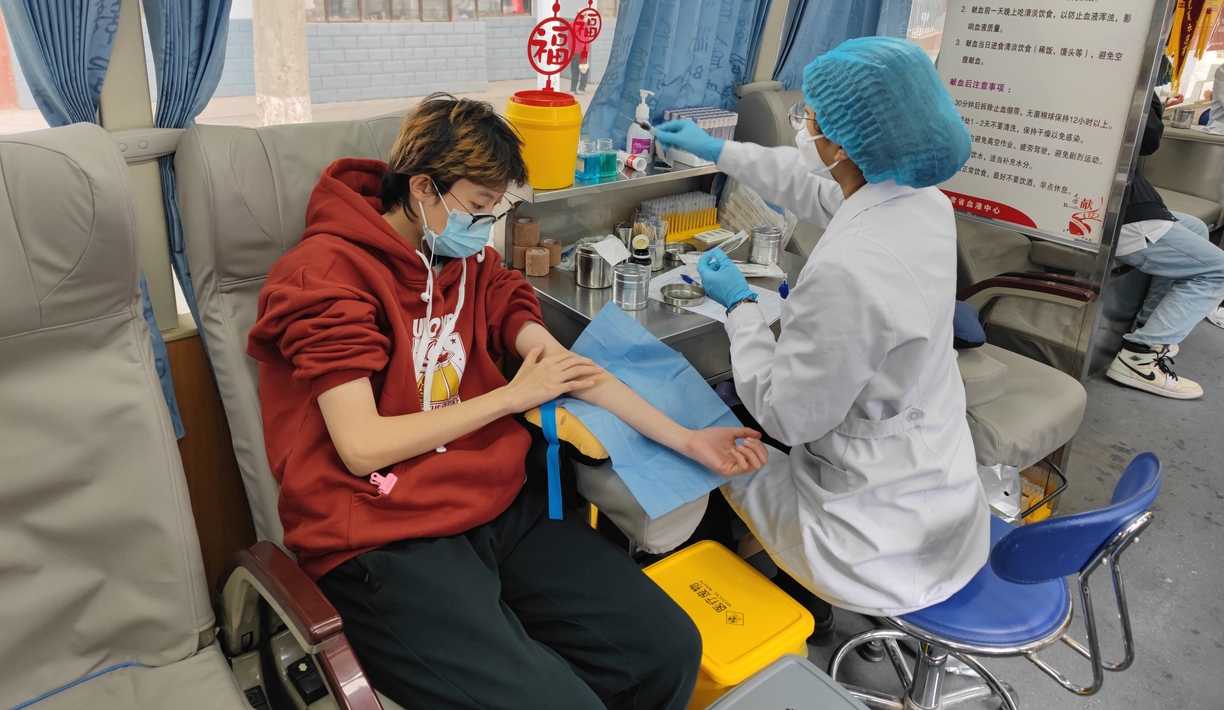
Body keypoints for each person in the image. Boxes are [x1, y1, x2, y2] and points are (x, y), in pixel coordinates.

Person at [247, 96, 767, 710]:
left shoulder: (471, 264)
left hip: (494, 509)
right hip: (380, 539)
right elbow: (361, 447)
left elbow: (564, 371)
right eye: (476, 206)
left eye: (496, 208)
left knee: (666, 650)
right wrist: (509, 397)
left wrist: (687, 438)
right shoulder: (324, 277)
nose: (484, 225)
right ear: (423, 188)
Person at [655, 37, 990, 620]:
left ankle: (755, 598)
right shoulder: (923, 201)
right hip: (939, 489)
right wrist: (718, 149)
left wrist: (740, 306)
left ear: (841, 146)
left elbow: (785, 415)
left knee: (705, 439)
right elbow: (815, 188)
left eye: (809, 117)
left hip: (867, 534)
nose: (803, 125)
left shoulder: (848, 268)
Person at [1106, 92, 1224, 399]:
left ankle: (1149, 326)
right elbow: (1147, 139)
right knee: (1219, 271)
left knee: (1196, 227)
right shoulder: (1123, 76)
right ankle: (1139, 358)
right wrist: (1149, 90)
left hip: (1131, 198)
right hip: (1118, 211)